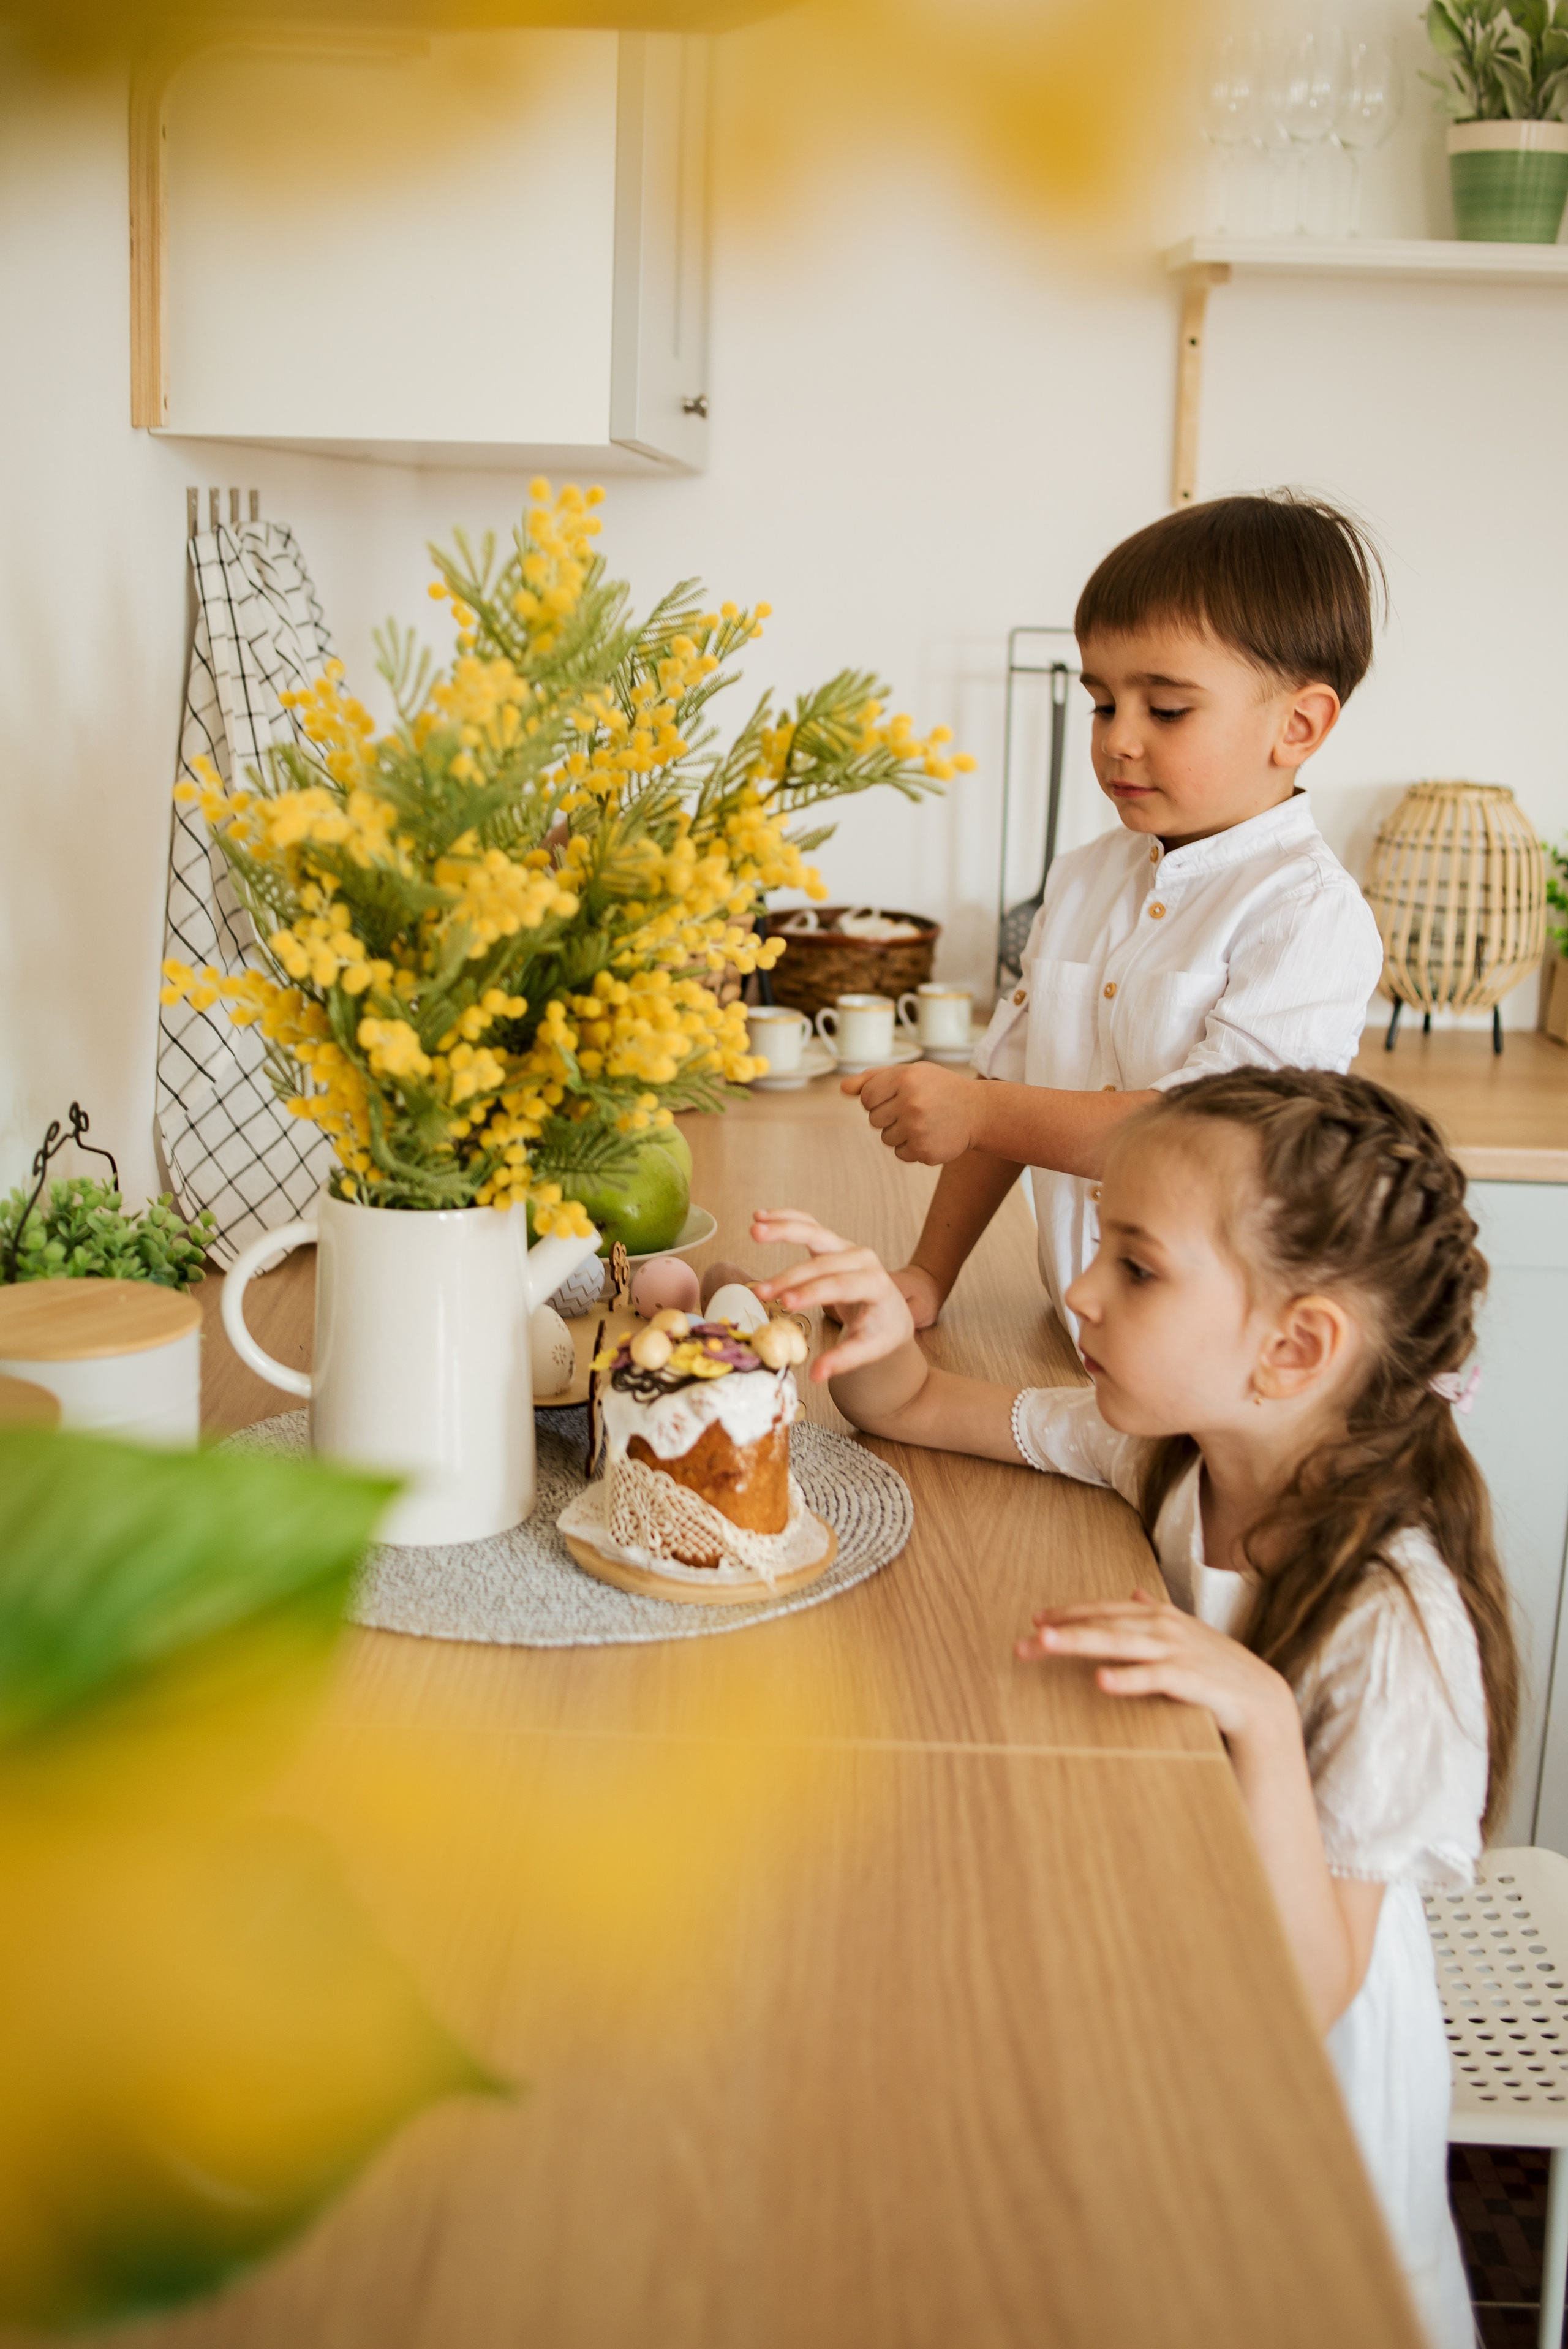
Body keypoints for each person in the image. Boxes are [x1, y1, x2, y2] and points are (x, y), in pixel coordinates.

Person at [752, 1067, 1518, 2349]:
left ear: (1293, 1347)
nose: (1078, 1291)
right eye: (1099, 1243)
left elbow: (1305, 1989)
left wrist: (1263, 1723)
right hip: (1169, 1952)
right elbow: (921, 1408)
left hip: (1298, 2118)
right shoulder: (1164, 1444)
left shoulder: (1395, 1629)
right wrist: (875, 1329)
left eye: (1136, 1268)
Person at [849, 493, 1387, 1344]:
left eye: (1166, 709)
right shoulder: (1086, 876)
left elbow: (1201, 1137)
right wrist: (927, 1274)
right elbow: (1009, 1088)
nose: (1117, 740)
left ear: (1299, 724)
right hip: (1081, 1336)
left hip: (1215, 1363)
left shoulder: (1309, 915)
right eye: (1103, 703)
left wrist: (981, 1112)